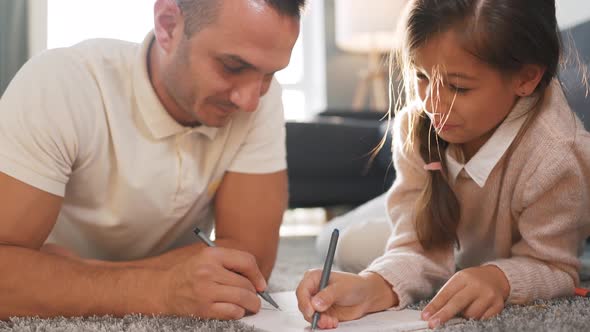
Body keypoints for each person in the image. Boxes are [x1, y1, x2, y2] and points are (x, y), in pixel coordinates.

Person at [0, 0, 304, 320]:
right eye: (232, 66)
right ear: (168, 24)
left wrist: (76, 272)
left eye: (269, 74)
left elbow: (250, 260)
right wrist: (159, 290)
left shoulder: (261, 98)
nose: (250, 99)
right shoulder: (61, 83)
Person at [297, 0, 590, 329]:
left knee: (363, 247)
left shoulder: (558, 155)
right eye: (421, 76)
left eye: (458, 87)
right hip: (448, 228)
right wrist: (373, 286)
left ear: (526, 78)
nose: (432, 106)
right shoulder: (418, 123)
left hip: (484, 240)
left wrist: (499, 278)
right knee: (338, 244)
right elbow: (419, 246)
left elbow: (557, 267)